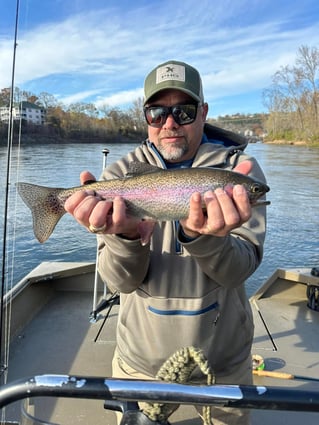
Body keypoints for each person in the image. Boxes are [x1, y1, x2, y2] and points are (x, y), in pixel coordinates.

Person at [65, 60, 268, 425]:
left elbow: (241, 271)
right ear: (146, 117)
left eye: (183, 111)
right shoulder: (120, 174)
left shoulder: (239, 173)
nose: (170, 123)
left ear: (203, 112)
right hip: (140, 364)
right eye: (157, 113)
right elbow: (120, 283)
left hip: (224, 365)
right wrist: (126, 238)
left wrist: (203, 238)